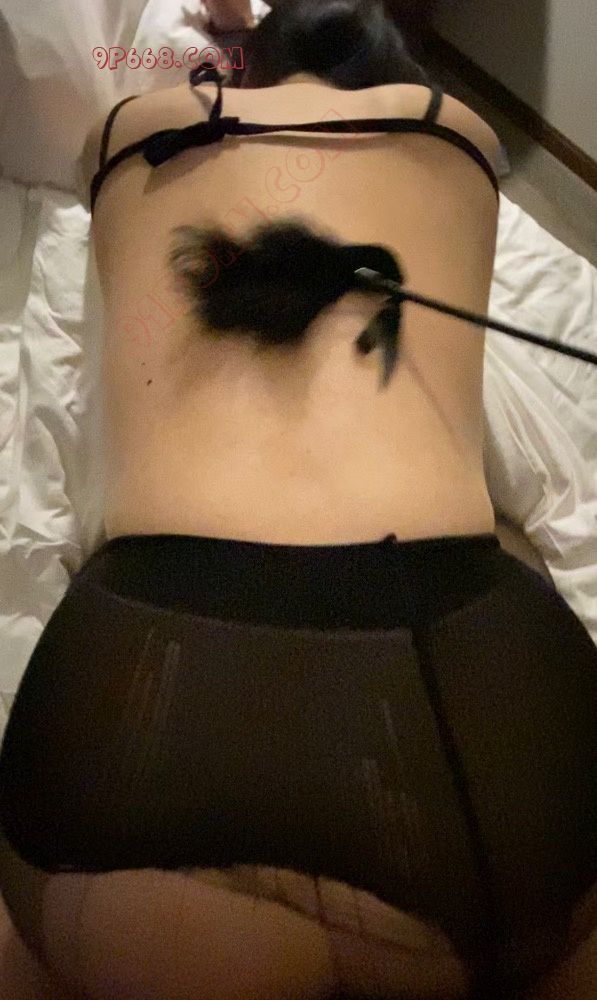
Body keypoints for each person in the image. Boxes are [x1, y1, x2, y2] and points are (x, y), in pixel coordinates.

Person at [0, 1, 595, 998]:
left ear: (247, 68)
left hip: (148, 688)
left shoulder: (133, 130)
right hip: (489, 693)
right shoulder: (461, 134)